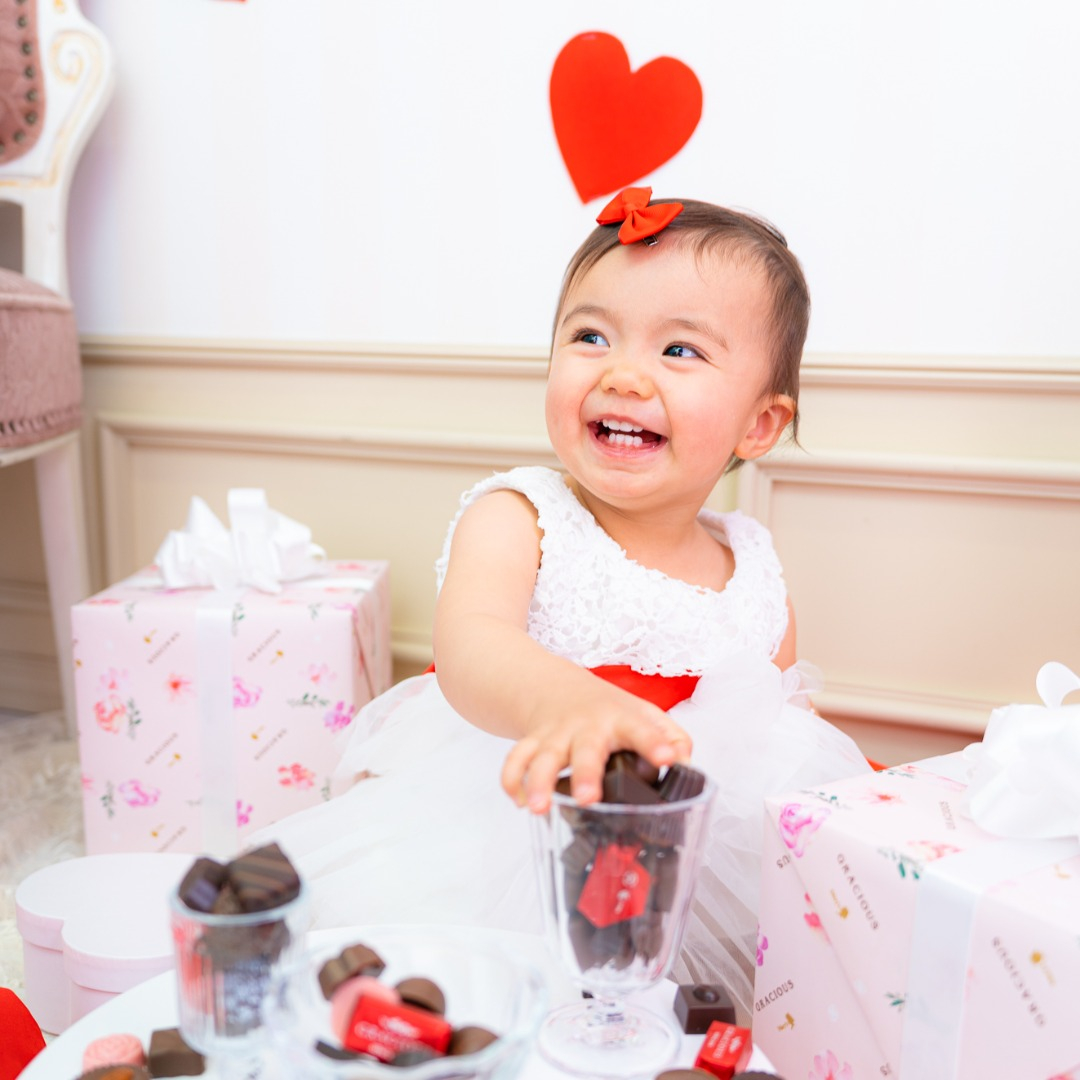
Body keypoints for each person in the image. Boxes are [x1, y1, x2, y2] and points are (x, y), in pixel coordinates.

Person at [251, 187, 870, 1021]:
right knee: (472, 999)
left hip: (685, 856)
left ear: (758, 425)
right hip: (511, 821)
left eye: (679, 350)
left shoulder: (753, 565)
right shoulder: (521, 515)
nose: (622, 373)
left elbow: (782, 722)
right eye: (590, 337)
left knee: (695, 1011)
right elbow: (472, 646)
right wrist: (569, 704)